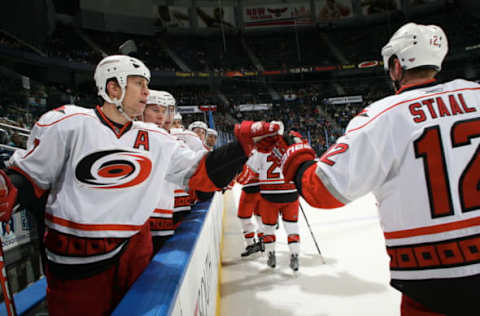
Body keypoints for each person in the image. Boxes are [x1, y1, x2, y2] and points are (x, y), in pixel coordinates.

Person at [0, 54, 281, 316]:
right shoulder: (68, 123)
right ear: (113, 88)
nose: (146, 92)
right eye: (139, 84)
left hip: (134, 249)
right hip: (76, 258)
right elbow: (29, 178)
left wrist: (242, 147)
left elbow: (202, 174)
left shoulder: (156, 139)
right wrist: (8, 188)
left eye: (147, 85)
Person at [276, 23, 480, 314]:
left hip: (433, 285)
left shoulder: (381, 117)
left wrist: (297, 154)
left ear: (397, 66)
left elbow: (322, 190)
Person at [248, 147, 301, 271]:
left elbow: (252, 171)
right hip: (290, 192)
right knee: (292, 226)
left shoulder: (260, 150)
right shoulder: (291, 148)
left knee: (268, 228)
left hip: (269, 194)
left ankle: (271, 254)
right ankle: (294, 255)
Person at [235, 161, 264, 258]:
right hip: (264, 188)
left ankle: (251, 243)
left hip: (249, 189)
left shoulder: (246, 151)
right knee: (260, 216)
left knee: (244, 217)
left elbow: (240, 177)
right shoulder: (268, 150)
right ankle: (263, 239)